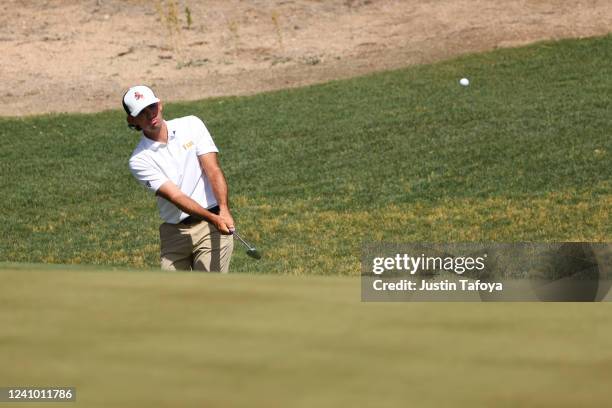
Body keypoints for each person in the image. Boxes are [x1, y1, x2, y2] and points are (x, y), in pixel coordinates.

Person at [122, 85, 234, 272]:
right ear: (132, 119)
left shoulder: (192, 124)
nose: (150, 114)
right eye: (142, 112)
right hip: (175, 232)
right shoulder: (139, 160)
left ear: (160, 104)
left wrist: (223, 210)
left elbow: (213, 169)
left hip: (212, 225)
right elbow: (177, 197)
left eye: (152, 107)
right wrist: (214, 218)